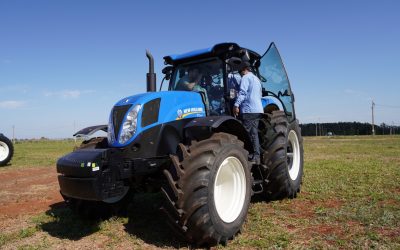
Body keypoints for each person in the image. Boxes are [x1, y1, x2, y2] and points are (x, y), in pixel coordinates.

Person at [233, 61, 263, 165]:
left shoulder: (245, 78)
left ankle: (245, 155)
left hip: (249, 109)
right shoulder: (257, 79)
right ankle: (256, 156)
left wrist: (236, 105)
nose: (240, 73)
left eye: (240, 71)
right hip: (258, 109)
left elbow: (242, 93)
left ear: (243, 69)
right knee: (254, 133)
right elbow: (259, 94)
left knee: (244, 134)